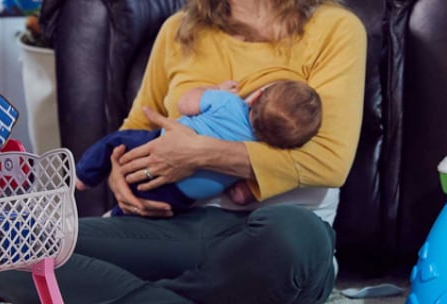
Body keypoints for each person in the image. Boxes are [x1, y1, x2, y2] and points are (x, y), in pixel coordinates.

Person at [0, 0, 367, 304]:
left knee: (295, 241)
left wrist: (201, 153)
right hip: (171, 228)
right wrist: (121, 176)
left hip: (271, 233)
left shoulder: (334, 30)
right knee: (9, 252)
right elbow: (134, 131)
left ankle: (126, 294)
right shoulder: (180, 31)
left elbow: (329, 162)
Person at [76, 79, 322, 216]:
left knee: (115, 142)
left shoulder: (228, 102)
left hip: (154, 145)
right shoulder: (254, 153)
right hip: (181, 198)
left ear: (256, 96)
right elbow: (239, 197)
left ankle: (83, 176)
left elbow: (186, 103)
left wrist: (214, 90)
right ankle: (114, 217)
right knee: (145, 215)